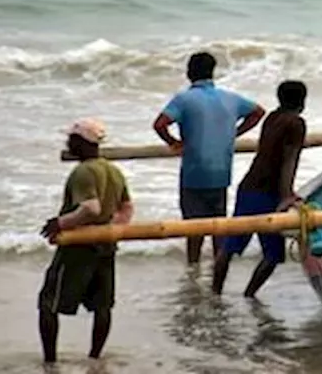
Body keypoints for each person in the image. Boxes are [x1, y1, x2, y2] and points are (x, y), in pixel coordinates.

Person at [153, 52, 265, 265]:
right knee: (218, 227)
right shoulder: (231, 98)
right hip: (221, 172)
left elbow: (159, 124)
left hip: (194, 172)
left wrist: (174, 143)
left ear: (189, 73)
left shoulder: (184, 99)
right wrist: (234, 133)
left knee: (193, 228)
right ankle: (218, 271)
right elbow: (258, 112)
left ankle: (193, 269)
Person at [38, 119, 134, 364]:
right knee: (102, 305)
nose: (67, 142)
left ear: (81, 143)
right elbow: (127, 207)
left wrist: (60, 223)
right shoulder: (113, 170)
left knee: (49, 303)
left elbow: (91, 208)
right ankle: (95, 358)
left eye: (71, 139)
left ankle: (50, 361)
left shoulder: (83, 171)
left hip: (78, 247)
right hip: (106, 244)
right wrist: (113, 230)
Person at [212, 80, 308, 297]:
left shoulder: (272, 118)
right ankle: (249, 295)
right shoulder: (296, 124)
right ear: (302, 101)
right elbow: (289, 159)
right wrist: (287, 196)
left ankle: (215, 293)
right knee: (273, 254)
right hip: (268, 192)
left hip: (248, 187)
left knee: (230, 246)